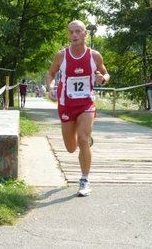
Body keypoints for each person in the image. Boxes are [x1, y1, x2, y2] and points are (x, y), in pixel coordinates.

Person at [46, 20, 110, 196]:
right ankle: (87, 142)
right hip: (66, 105)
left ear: (85, 34)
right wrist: (50, 88)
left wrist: (103, 79)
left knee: (82, 138)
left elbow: (105, 73)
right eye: (71, 32)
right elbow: (50, 74)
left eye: (78, 31)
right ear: (68, 35)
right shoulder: (61, 56)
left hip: (86, 103)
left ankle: (84, 180)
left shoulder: (94, 56)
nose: (74, 35)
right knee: (71, 148)